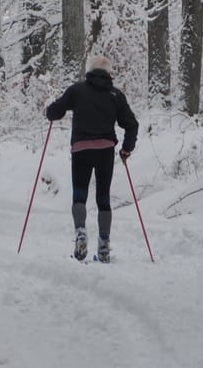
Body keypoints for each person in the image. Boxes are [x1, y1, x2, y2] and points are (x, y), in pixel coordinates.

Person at [45, 56, 139, 262]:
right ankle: (104, 245)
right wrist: (126, 149)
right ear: (109, 72)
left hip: (81, 150)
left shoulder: (77, 90)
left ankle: (80, 232)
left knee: (80, 194)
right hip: (105, 150)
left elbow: (56, 111)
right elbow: (132, 124)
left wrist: (50, 112)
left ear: (89, 70)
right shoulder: (116, 95)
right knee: (103, 198)